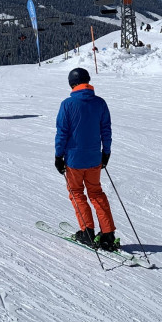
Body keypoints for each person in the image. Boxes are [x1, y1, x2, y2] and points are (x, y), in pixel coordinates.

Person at [54, 67, 118, 251]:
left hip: (74, 160)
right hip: (94, 159)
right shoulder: (100, 103)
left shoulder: (67, 104)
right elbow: (106, 130)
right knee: (96, 193)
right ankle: (108, 234)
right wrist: (106, 152)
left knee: (76, 193)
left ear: (71, 84)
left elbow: (62, 133)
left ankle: (87, 231)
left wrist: (59, 156)